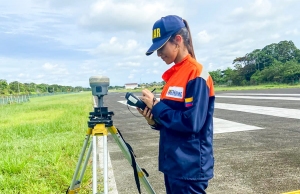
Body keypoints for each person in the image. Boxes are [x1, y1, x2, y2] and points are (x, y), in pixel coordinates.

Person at [137, 15, 215, 194]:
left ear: (178, 41)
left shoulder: (196, 74)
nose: (158, 54)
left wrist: (157, 106)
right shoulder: (173, 77)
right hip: (173, 164)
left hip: (190, 167)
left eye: (161, 47)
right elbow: (171, 118)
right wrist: (153, 120)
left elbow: (191, 122)